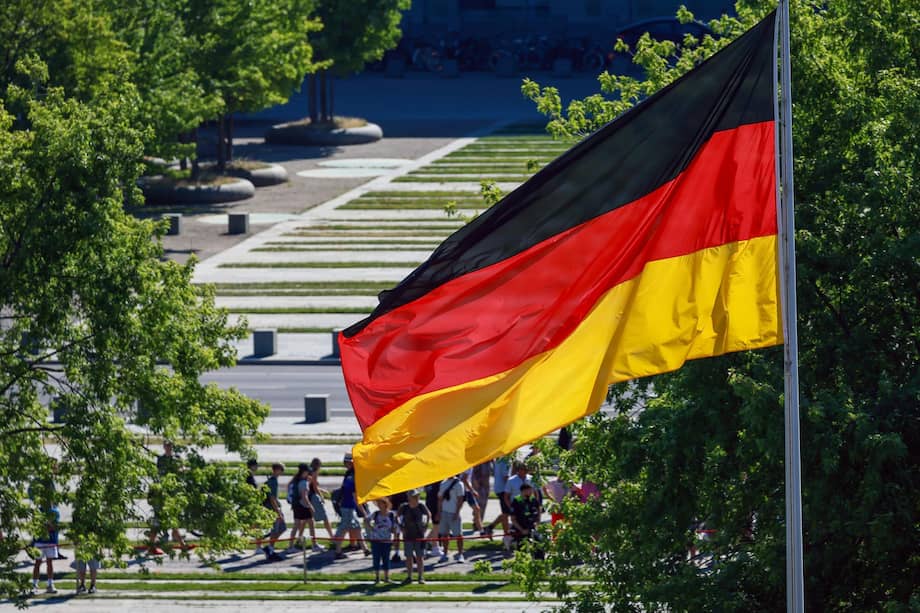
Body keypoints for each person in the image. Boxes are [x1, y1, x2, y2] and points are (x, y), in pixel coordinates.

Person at [147, 441, 187, 554]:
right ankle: (181, 545)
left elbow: (182, 469)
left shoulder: (177, 458)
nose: (168, 447)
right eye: (166, 445)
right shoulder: (161, 459)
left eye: (170, 446)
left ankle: (180, 543)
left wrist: (182, 470)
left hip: (172, 493)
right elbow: (159, 474)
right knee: (162, 520)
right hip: (163, 494)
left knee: (171, 519)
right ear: (164, 447)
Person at [334, 453, 368, 559]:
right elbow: (355, 497)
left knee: (357, 527)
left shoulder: (349, 475)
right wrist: (364, 512)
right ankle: (338, 551)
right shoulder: (353, 477)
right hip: (348, 507)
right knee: (343, 529)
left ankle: (365, 549)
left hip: (347, 506)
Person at [397, 489, 429, 584]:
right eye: (414, 496)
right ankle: (409, 576)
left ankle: (420, 577)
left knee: (420, 557)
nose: (416, 498)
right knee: (409, 557)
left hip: (419, 534)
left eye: (417, 496)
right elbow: (397, 517)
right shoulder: (404, 507)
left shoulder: (421, 506)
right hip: (408, 535)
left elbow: (428, 515)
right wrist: (401, 527)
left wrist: (426, 526)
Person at [365, 498, 398, 584]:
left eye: (380, 503)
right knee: (376, 559)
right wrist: (371, 527)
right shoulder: (375, 514)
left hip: (387, 541)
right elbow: (366, 520)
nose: (379, 505)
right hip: (375, 540)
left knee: (386, 559)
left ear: (385, 504)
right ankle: (377, 578)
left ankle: (387, 577)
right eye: (378, 504)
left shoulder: (391, 515)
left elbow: (394, 527)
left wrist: (395, 538)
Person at [31, 505, 60, 594]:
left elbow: (54, 527)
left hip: (51, 541)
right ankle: (34, 585)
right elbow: (35, 526)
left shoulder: (55, 511)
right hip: (39, 541)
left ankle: (50, 584)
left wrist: (46, 525)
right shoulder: (38, 511)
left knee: (49, 563)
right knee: (37, 562)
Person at [437, 474, 465, 563]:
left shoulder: (459, 484)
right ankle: (445, 554)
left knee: (458, 535)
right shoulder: (443, 483)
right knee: (445, 534)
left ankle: (460, 554)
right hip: (444, 512)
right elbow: (440, 499)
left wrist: (457, 512)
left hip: (454, 512)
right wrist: (439, 512)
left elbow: (460, 499)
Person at [509, 482, 543, 557]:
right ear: (523, 491)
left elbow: (539, 511)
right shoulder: (516, 501)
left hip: (532, 528)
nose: (531, 492)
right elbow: (513, 519)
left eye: (531, 490)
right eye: (529, 491)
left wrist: (537, 523)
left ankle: (539, 563)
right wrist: (521, 530)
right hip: (521, 530)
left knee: (539, 545)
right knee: (522, 550)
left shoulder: (533, 499)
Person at [261, 462, 285, 561]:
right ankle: (270, 550)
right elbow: (272, 498)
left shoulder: (271, 481)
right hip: (272, 510)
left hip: (272, 509)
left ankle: (270, 548)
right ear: (276, 470)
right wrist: (278, 512)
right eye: (281, 470)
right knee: (276, 529)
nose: (282, 472)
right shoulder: (273, 482)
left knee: (281, 528)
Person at [287, 463, 314, 551]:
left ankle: (290, 546)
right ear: (304, 472)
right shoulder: (303, 482)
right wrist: (310, 507)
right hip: (303, 505)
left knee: (296, 525)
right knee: (311, 523)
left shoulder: (296, 480)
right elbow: (304, 496)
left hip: (296, 505)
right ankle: (314, 544)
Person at [308, 458, 334, 545]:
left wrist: (322, 490)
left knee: (305, 520)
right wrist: (321, 496)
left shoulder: (309, 472)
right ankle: (332, 536)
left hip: (309, 497)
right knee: (325, 518)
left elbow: (312, 486)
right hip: (314, 498)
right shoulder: (314, 473)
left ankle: (299, 539)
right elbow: (315, 487)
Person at [388, 489, 408, 563]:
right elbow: (389, 498)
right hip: (394, 510)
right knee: (396, 534)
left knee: (407, 533)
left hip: (405, 511)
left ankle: (410, 553)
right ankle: (396, 553)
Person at [423, 480, 442, 558]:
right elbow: (439, 496)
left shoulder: (430, 481)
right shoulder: (437, 481)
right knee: (436, 526)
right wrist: (438, 511)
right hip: (434, 504)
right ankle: (435, 547)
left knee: (437, 526)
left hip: (430, 503)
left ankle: (426, 542)